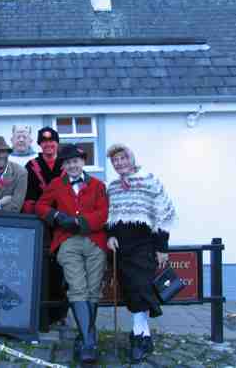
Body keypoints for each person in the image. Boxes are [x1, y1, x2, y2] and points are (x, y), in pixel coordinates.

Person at [35, 144, 108, 364]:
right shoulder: (57, 184)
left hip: (95, 241)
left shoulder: (98, 185)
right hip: (67, 242)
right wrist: (56, 215)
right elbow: (41, 205)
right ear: (64, 166)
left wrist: (81, 222)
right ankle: (88, 342)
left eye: (75, 161)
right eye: (67, 163)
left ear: (83, 162)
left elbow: (104, 212)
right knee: (78, 287)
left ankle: (86, 337)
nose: (72, 165)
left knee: (93, 290)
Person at [106, 144, 176, 363]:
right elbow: (110, 215)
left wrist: (162, 247)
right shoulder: (113, 187)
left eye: (122, 158)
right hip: (122, 248)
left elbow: (164, 213)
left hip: (144, 245)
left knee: (140, 288)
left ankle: (138, 336)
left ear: (131, 158)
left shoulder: (149, 181)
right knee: (131, 290)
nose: (119, 163)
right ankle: (144, 337)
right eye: (115, 160)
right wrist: (110, 235)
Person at [23, 127, 68, 325]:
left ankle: (60, 314)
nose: (48, 145)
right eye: (44, 142)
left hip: (63, 224)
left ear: (57, 144)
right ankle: (40, 313)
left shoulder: (67, 164)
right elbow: (27, 197)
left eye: (52, 142)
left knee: (62, 268)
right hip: (41, 224)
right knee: (40, 267)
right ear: (39, 145)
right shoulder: (31, 165)